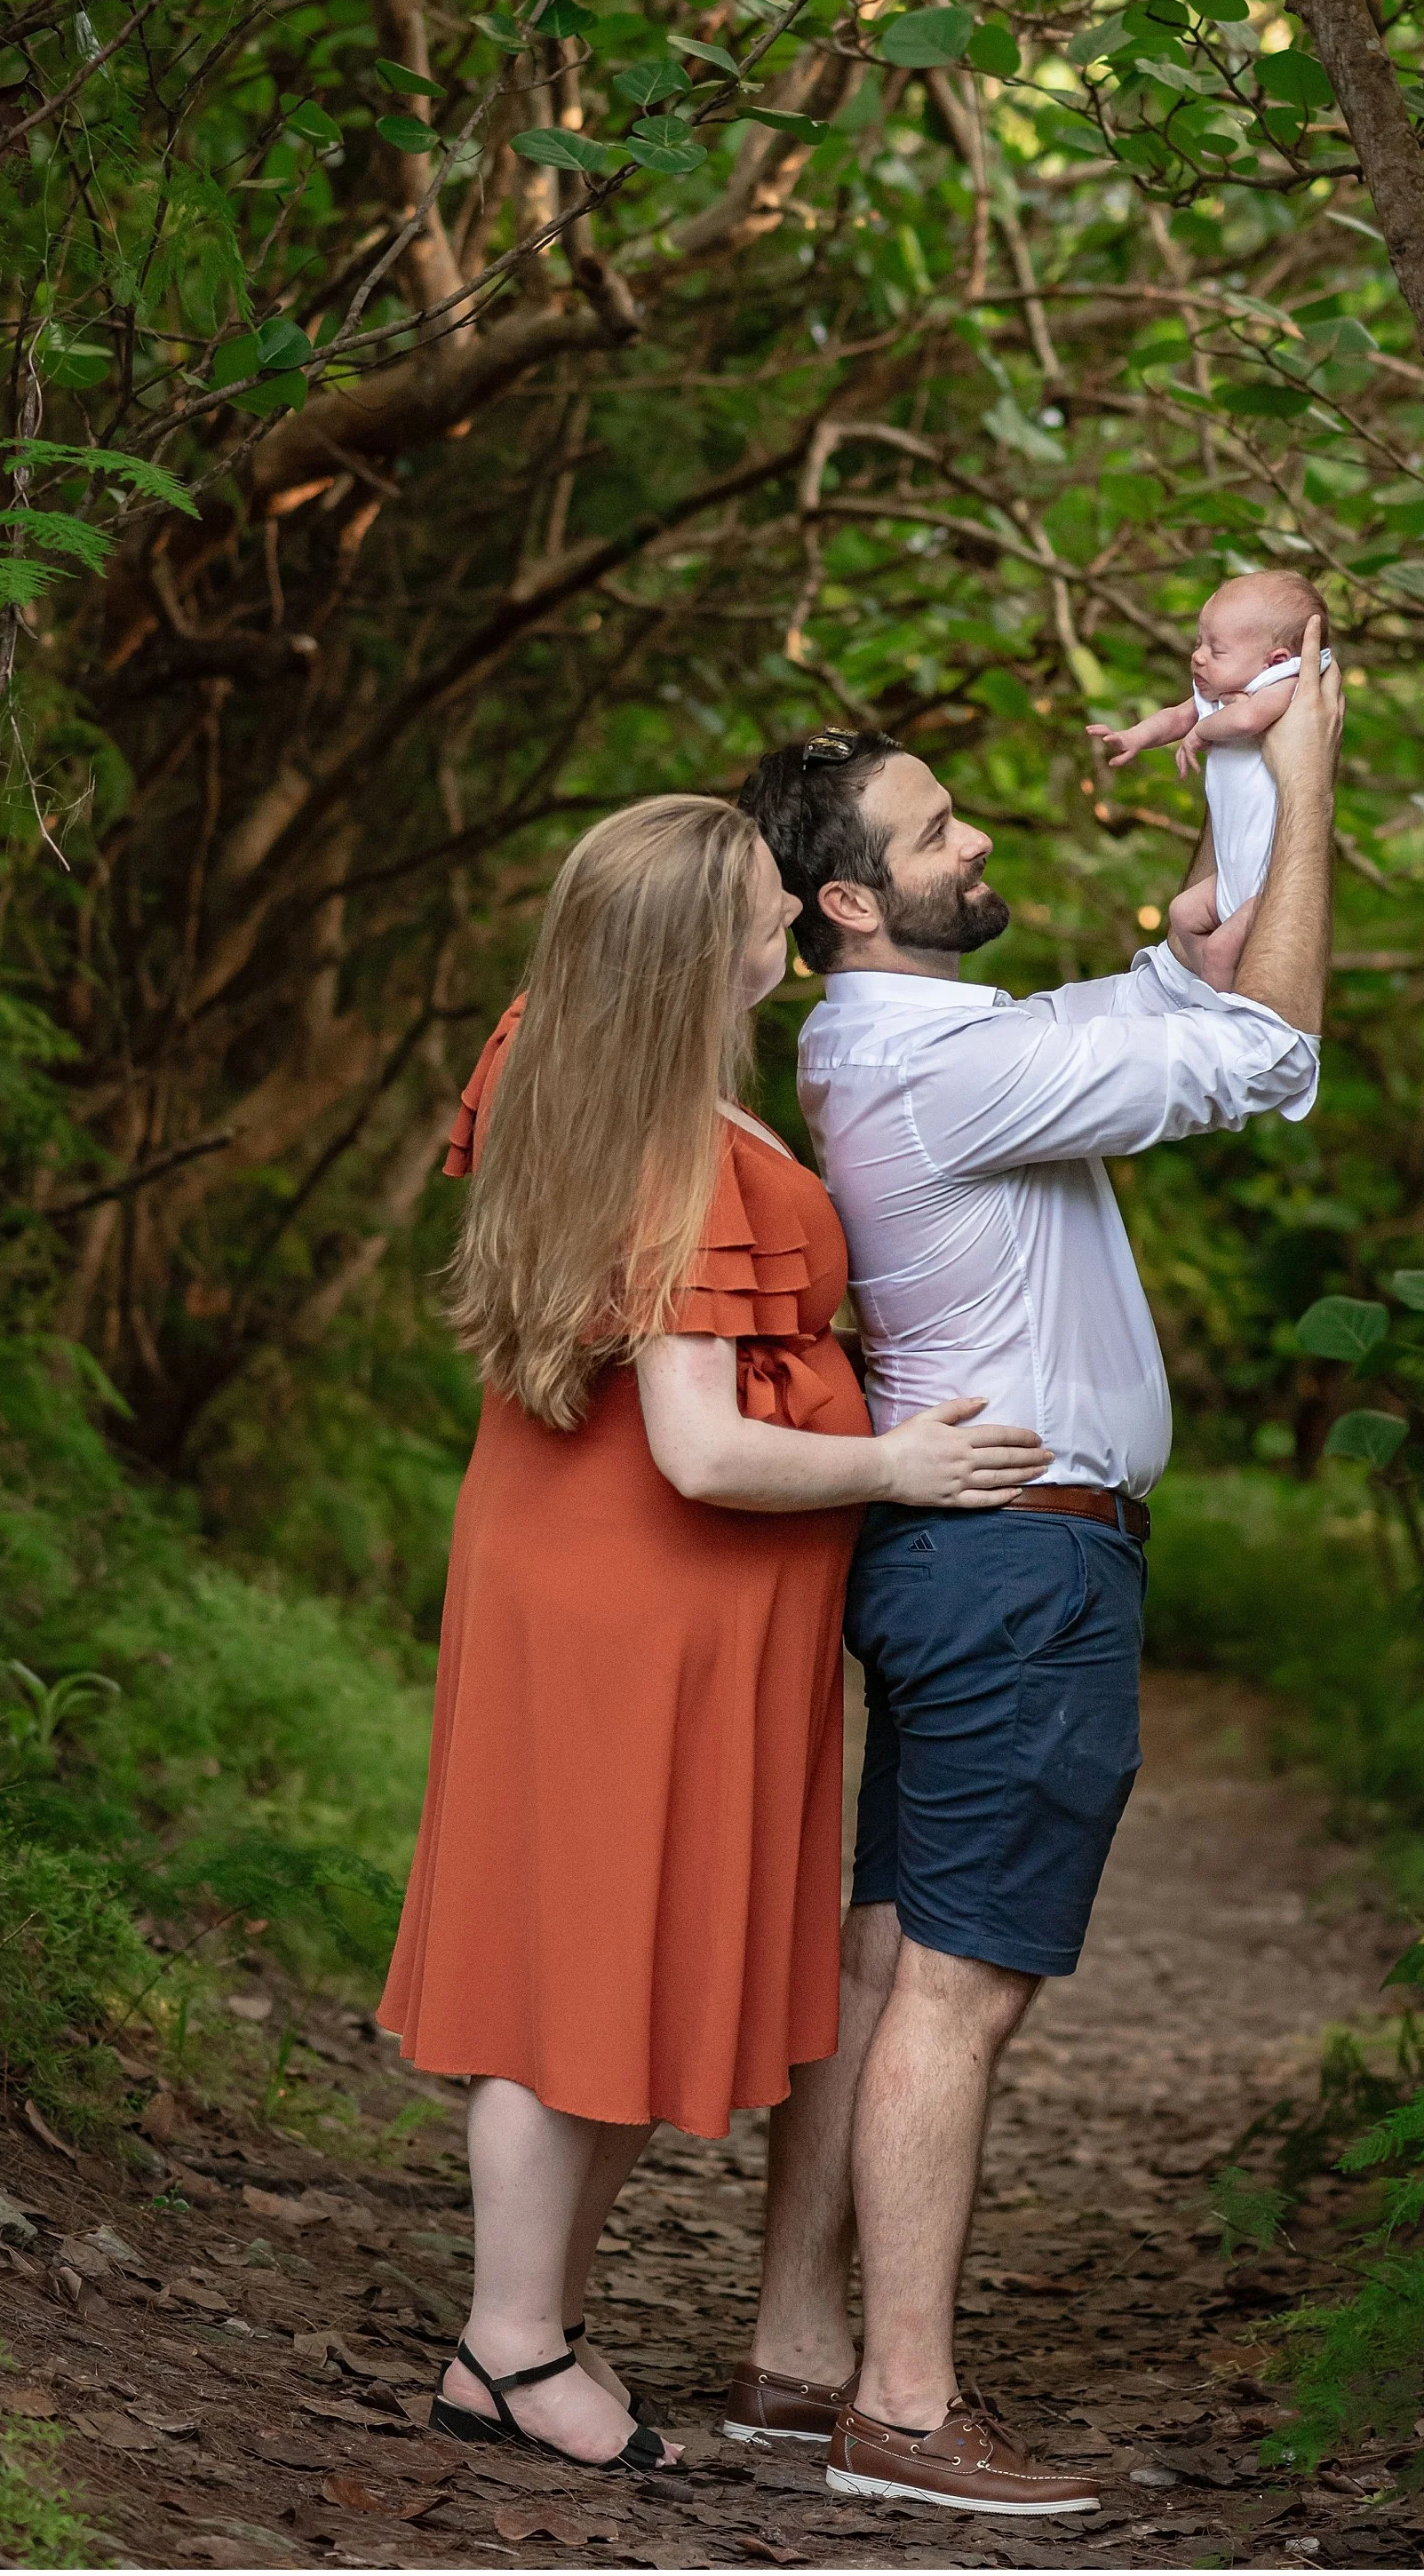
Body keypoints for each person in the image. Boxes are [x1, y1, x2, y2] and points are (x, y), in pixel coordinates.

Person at [730, 621, 1343, 2518]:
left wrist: (1233, 796)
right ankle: (905, 2413)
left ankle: (796, 2352)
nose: (973, 837)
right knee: (960, 1990)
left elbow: (1194, 990)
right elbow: (1269, 1047)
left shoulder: (915, 1047)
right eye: (934, 833)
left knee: (894, 1949)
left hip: (962, 1560)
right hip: (1019, 1568)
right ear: (849, 900)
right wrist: (1305, 771)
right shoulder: (942, 1068)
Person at [376, 796, 1052, 2477]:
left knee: (589, 1946)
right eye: (766, 907)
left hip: (586, 1563)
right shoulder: (678, 1155)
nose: (793, 927)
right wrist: (904, 1461)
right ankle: (511, 2343)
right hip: (641, 1584)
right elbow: (700, 1445)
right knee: (582, 1961)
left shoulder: (565, 1055)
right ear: (698, 951)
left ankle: (531, 2324)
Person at [1086, 568, 1333, 992]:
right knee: (1182, 913)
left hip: (1266, 880)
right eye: (1199, 643)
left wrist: (1201, 732)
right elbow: (1175, 717)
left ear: (1274, 659)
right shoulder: (1218, 692)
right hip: (1232, 870)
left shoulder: (1285, 684)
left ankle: (1219, 1012)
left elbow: (1250, 718)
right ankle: (1211, 984)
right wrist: (1134, 737)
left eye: (1216, 650)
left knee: (1219, 951)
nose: (1198, 657)